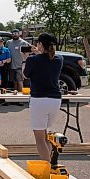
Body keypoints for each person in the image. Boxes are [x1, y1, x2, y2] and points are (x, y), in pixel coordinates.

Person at [22, 33, 64, 162]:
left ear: (40, 44)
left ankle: (49, 167)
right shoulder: (59, 59)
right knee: (45, 135)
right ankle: (51, 162)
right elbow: (47, 60)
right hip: (55, 100)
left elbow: (25, 75)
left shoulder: (32, 60)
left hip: (39, 100)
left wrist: (25, 58)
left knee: (39, 138)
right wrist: (38, 52)